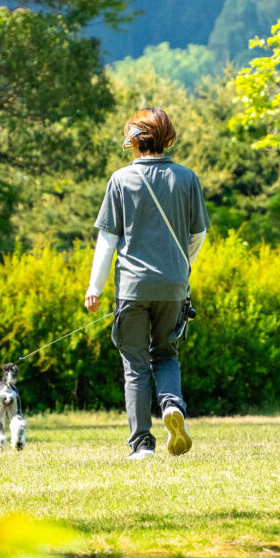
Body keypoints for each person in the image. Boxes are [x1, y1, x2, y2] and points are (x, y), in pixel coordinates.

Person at [84, 107, 209, 460]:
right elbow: (198, 234)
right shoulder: (187, 179)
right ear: (166, 137)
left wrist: (94, 286)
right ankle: (173, 407)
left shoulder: (120, 181)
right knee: (166, 355)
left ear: (134, 142)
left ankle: (142, 445)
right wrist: (181, 268)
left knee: (135, 364)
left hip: (132, 289)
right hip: (173, 286)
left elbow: (107, 240)